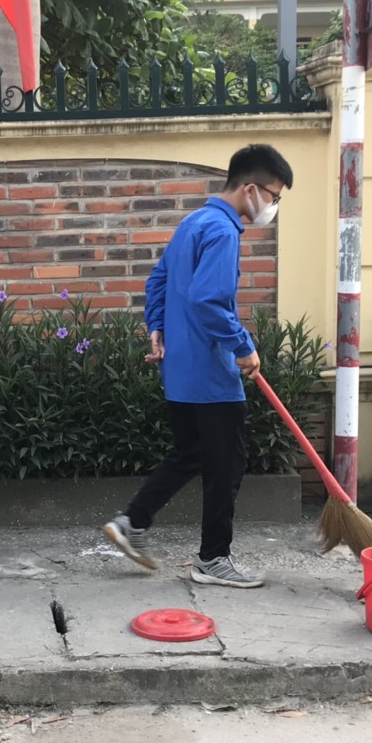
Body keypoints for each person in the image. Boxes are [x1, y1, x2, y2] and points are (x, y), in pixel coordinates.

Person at [102, 144, 292, 588]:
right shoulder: (223, 231)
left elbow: (159, 280)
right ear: (250, 189)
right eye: (274, 195)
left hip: (180, 370)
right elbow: (209, 300)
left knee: (191, 453)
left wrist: (157, 325)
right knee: (226, 464)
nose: (273, 206)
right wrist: (242, 346)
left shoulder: (193, 223)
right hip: (211, 374)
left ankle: (132, 522)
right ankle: (213, 560)